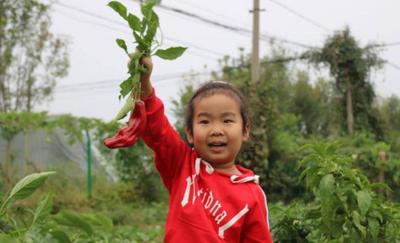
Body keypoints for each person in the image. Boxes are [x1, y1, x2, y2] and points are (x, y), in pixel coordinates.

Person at [138, 56, 273, 242]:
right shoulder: (181, 165)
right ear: (190, 134)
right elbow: (157, 129)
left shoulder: (253, 194)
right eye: (204, 121)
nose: (216, 130)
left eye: (227, 120)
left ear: (245, 130)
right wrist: (144, 83)